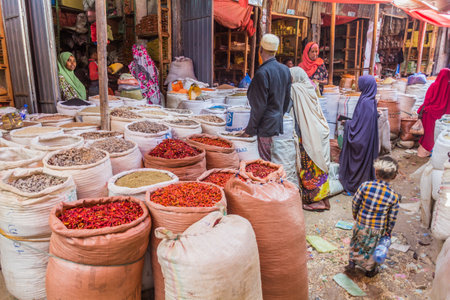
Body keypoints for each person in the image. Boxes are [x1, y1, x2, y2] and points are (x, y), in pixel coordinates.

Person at [346, 156, 400, 277]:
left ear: (375, 173)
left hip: (360, 224)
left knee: (356, 243)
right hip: (377, 229)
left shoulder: (365, 186)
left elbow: (355, 202)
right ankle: (370, 270)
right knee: (372, 249)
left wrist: (355, 216)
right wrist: (388, 231)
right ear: (394, 176)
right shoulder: (393, 196)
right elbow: (392, 218)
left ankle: (352, 262)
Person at [241, 34, 291, 161]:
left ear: (261, 50)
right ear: (275, 51)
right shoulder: (285, 70)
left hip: (265, 125)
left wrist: (250, 130)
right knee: (273, 157)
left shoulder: (262, 73)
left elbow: (259, 107)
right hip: (276, 122)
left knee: (264, 162)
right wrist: (278, 115)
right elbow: (287, 100)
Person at [290, 67, 331, 211]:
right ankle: (324, 199)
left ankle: (316, 201)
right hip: (319, 128)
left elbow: (293, 113)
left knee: (309, 168)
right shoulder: (309, 87)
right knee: (319, 165)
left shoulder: (295, 89)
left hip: (308, 132)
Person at [339, 75, 379, 194]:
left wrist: (347, 123)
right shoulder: (369, 99)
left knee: (357, 164)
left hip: (362, 140)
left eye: (359, 83)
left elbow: (360, 128)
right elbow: (363, 122)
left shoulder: (366, 103)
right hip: (367, 139)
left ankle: (355, 186)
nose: (357, 85)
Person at [417, 68, 450, 157]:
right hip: (441, 115)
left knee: (427, 134)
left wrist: (421, 110)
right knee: (434, 134)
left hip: (429, 114)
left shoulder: (434, 86)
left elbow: (427, 101)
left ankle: (424, 152)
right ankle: (431, 151)